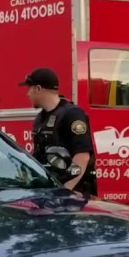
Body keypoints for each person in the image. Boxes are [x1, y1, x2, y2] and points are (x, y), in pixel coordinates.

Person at [20, 67, 98, 197]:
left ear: (38, 89)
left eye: (29, 89)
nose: (27, 94)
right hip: (50, 193)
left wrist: (65, 191)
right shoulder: (40, 119)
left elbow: (82, 157)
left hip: (74, 195)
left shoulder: (72, 114)